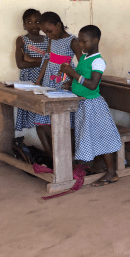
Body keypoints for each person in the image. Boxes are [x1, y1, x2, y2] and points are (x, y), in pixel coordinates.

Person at [59, 25, 122, 186]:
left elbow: (93, 84)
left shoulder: (98, 61)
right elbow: (80, 79)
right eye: (79, 41)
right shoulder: (84, 59)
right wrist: (70, 84)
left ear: (95, 41)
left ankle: (111, 172)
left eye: (84, 41)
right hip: (83, 105)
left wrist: (73, 74)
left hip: (94, 105)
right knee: (91, 137)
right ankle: (99, 166)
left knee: (102, 137)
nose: (80, 44)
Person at [34, 12, 83, 159]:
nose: (48, 35)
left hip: (64, 82)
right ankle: (52, 156)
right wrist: (38, 81)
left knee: (63, 120)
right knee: (41, 121)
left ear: (59, 25)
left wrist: (72, 81)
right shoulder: (52, 40)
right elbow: (47, 59)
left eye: (50, 31)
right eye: (45, 32)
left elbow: (82, 65)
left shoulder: (72, 41)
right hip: (49, 81)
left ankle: (68, 155)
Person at [15, 9, 49, 131]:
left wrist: (31, 59)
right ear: (24, 25)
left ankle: (49, 149)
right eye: (29, 22)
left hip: (45, 80)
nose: (34, 25)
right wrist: (44, 61)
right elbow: (20, 64)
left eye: (37, 21)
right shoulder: (21, 40)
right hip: (29, 82)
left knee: (44, 115)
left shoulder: (48, 40)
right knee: (34, 113)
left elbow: (51, 61)